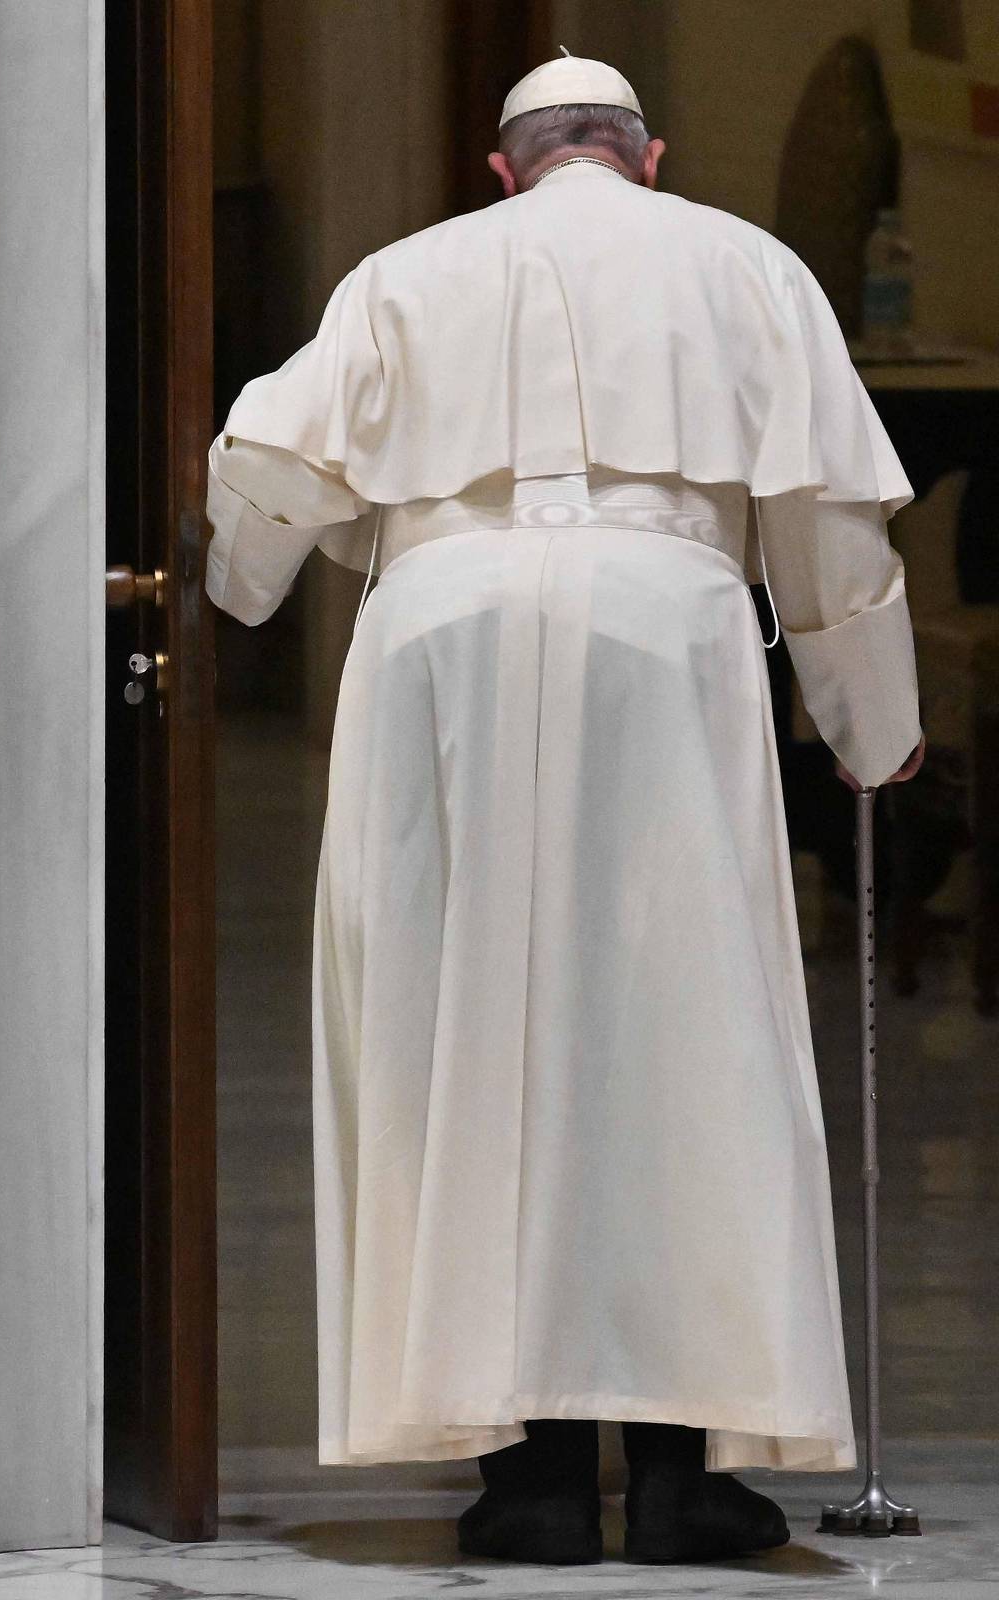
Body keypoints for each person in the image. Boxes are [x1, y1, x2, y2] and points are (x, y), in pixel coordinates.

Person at [205, 51, 925, 1566]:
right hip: (663, 632)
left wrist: (239, 591)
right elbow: (830, 525)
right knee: (684, 1035)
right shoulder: (747, 264)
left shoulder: (407, 271)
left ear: (504, 167)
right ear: (648, 157)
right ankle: (680, 1475)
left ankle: (522, 1480)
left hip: (441, 631)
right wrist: (875, 729)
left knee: (454, 1028)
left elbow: (263, 464)